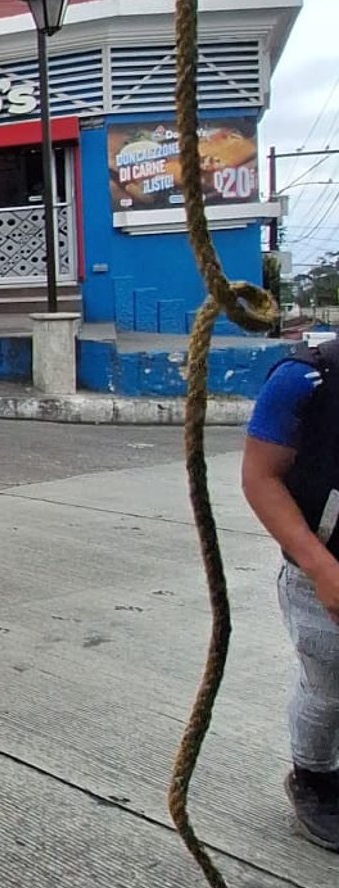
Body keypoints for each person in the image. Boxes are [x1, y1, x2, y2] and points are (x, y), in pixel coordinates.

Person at [243, 338, 339, 850]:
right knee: (329, 683)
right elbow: (260, 477)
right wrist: (321, 568)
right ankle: (314, 779)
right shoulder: (305, 379)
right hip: (321, 566)